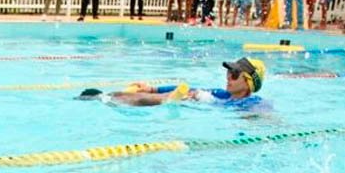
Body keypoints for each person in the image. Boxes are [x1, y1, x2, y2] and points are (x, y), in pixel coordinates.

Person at [88, 57, 266, 109]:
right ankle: (111, 97)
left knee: (172, 99)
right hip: (194, 107)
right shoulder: (223, 94)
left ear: (249, 82)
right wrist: (152, 88)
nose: (228, 77)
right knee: (181, 95)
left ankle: (110, 99)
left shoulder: (252, 104)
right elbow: (188, 88)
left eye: (234, 74)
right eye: (228, 72)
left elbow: (267, 120)